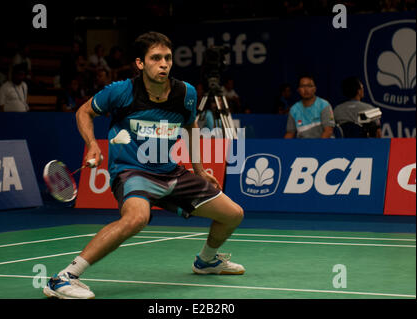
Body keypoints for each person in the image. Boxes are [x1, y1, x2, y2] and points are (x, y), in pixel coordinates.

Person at [44, 31, 245, 299]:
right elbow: (84, 111)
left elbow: (190, 126)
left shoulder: (186, 93)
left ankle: (206, 261)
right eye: (156, 58)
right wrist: (92, 144)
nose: (164, 63)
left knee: (233, 213)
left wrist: (199, 170)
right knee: (137, 218)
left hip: (171, 172)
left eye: (168, 58)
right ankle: (63, 278)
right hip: (132, 172)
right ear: (140, 63)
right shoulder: (121, 92)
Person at [284, 74, 335, 138]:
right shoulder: (294, 109)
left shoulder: (324, 105)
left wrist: (317, 146)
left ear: (315, 89)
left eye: (309, 86)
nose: (306, 89)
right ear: (298, 90)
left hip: (324, 144)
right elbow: (290, 133)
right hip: (303, 145)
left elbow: (328, 131)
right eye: (302, 86)